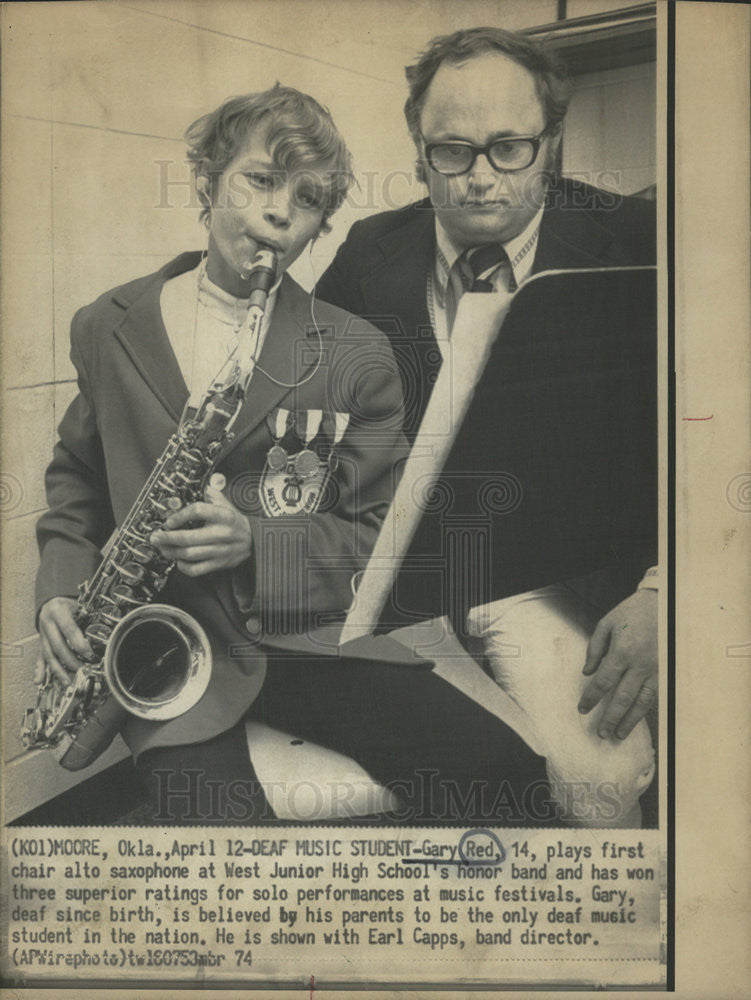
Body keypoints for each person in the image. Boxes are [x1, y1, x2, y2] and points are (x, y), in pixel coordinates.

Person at [32, 85, 557, 826]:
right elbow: (77, 480)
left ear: (318, 229)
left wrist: (255, 543)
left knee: (509, 778)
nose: (281, 211)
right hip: (165, 651)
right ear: (208, 180)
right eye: (259, 179)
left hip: (307, 632)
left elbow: (383, 540)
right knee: (215, 847)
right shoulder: (106, 327)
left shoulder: (355, 352)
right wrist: (60, 587)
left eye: (308, 200)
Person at [317, 28, 659, 753]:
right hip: (408, 579)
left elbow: (715, 433)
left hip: (563, 582)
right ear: (418, 148)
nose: (480, 176)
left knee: (597, 786)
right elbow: (308, 403)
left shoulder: (637, 239)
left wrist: (666, 594)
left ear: (552, 140)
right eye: (452, 150)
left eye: (510, 147)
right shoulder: (365, 251)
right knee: (432, 773)